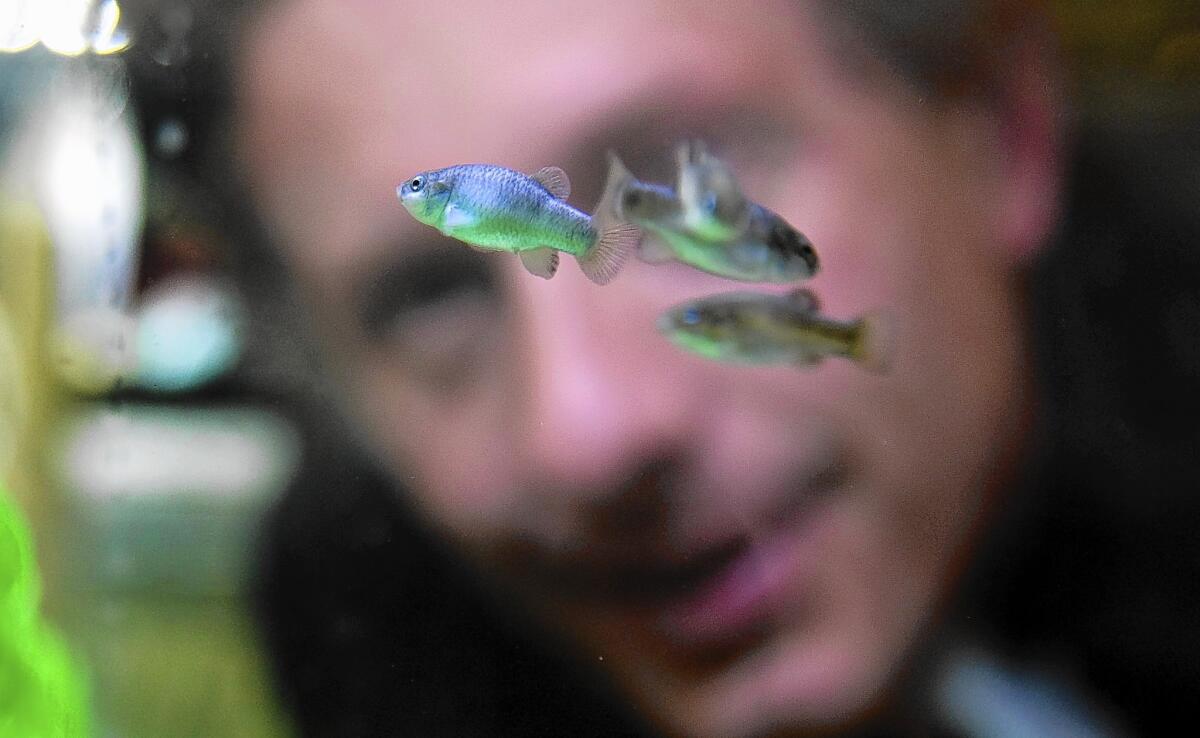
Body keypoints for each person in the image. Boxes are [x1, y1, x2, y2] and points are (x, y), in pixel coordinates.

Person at [216, 0, 1200, 735]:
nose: (583, 434)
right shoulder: (381, 618)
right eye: (426, 300)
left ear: (1000, 128)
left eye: (683, 198)